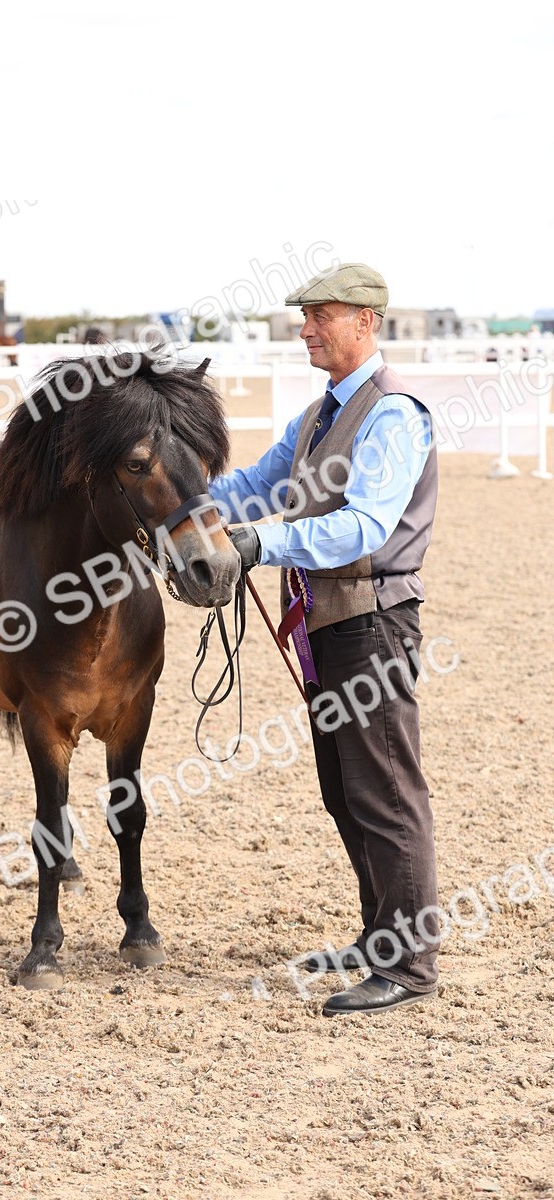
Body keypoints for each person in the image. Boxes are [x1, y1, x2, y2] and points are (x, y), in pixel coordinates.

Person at [209, 263, 439, 1017]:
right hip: (328, 626)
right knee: (344, 790)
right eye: (304, 317)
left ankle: (407, 966)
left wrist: (256, 545)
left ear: (366, 322)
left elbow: (365, 527)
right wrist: (169, 493)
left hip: (373, 624)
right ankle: (381, 937)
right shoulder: (316, 419)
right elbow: (251, 485)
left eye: (321, 316)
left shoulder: (393, 416)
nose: (305, 329)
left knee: (386, 793)